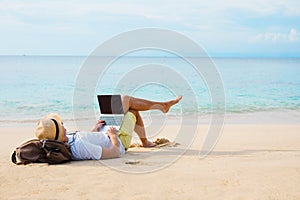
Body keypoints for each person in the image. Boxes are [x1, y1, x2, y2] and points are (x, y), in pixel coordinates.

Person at [34, 95, 182, 160]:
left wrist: (95, 129)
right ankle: (162, 106)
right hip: (117, 140)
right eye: (61, 125)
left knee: (131, 109)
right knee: (126, 100)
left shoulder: (68, 140)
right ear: (59, 133)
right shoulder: (81, 146)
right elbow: (115, 153)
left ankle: (145, 140)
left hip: (105, 132)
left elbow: (89, 139)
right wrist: (112, 137)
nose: (64, 125)